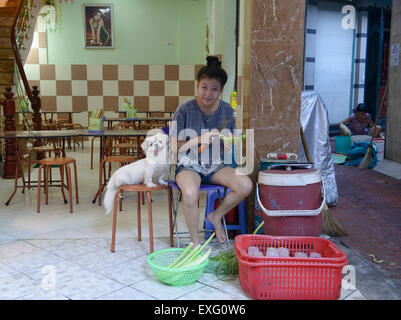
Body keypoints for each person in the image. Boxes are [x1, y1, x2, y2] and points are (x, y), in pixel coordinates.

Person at [170, 56, 253, 248]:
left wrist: (227, 144)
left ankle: (215, 216)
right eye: (204, 87)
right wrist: (199, 139)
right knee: (190, 193)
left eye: (214, 89)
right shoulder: (184, 110)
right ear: (198, 85)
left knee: (245, 185)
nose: (208, 93)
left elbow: (228, 143)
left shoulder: (226, 111)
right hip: (188, 165)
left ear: (221, 90)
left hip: (216, 165)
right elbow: (174, 147)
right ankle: (195, 244)